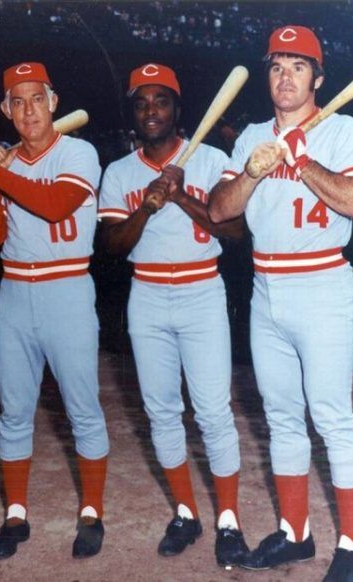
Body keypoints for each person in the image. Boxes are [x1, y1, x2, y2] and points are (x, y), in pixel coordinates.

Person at [208, 26, 353, 582]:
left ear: (318, 78)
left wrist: (302, 161)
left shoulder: (343, 129)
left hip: (322, 286)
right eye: (277, 66)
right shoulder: (252, 135)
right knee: (281, 417)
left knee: (331, 416)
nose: (285, 77)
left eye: (298, 66)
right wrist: (254, 171)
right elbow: (219, 211)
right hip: (266, 289)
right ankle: (296, 534)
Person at [98, 63, 249, 568]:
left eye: (161, 100)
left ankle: (229, 519)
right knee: (161, 410)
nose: (151, 111)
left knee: (211, 410)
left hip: (202, 292)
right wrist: (147, 204)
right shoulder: (118, 172)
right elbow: (114, 246)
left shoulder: (209, 160)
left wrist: (181, 193)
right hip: (147, 296)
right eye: (141, 103)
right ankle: (186, 512)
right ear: (133, 113)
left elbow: (235, 232)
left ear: (178, 108)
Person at [0, 62, 109, 560]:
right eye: (17, 101)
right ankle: (16, 514)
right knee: (14, 409)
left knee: (83, 407)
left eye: (36, 98)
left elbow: (54, 205)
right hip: (15, 295)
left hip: (67, 288)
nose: (28, 110)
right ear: (7, 110)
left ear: (54, 102)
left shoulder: (80, 151)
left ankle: (92, 512)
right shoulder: (3, 167)